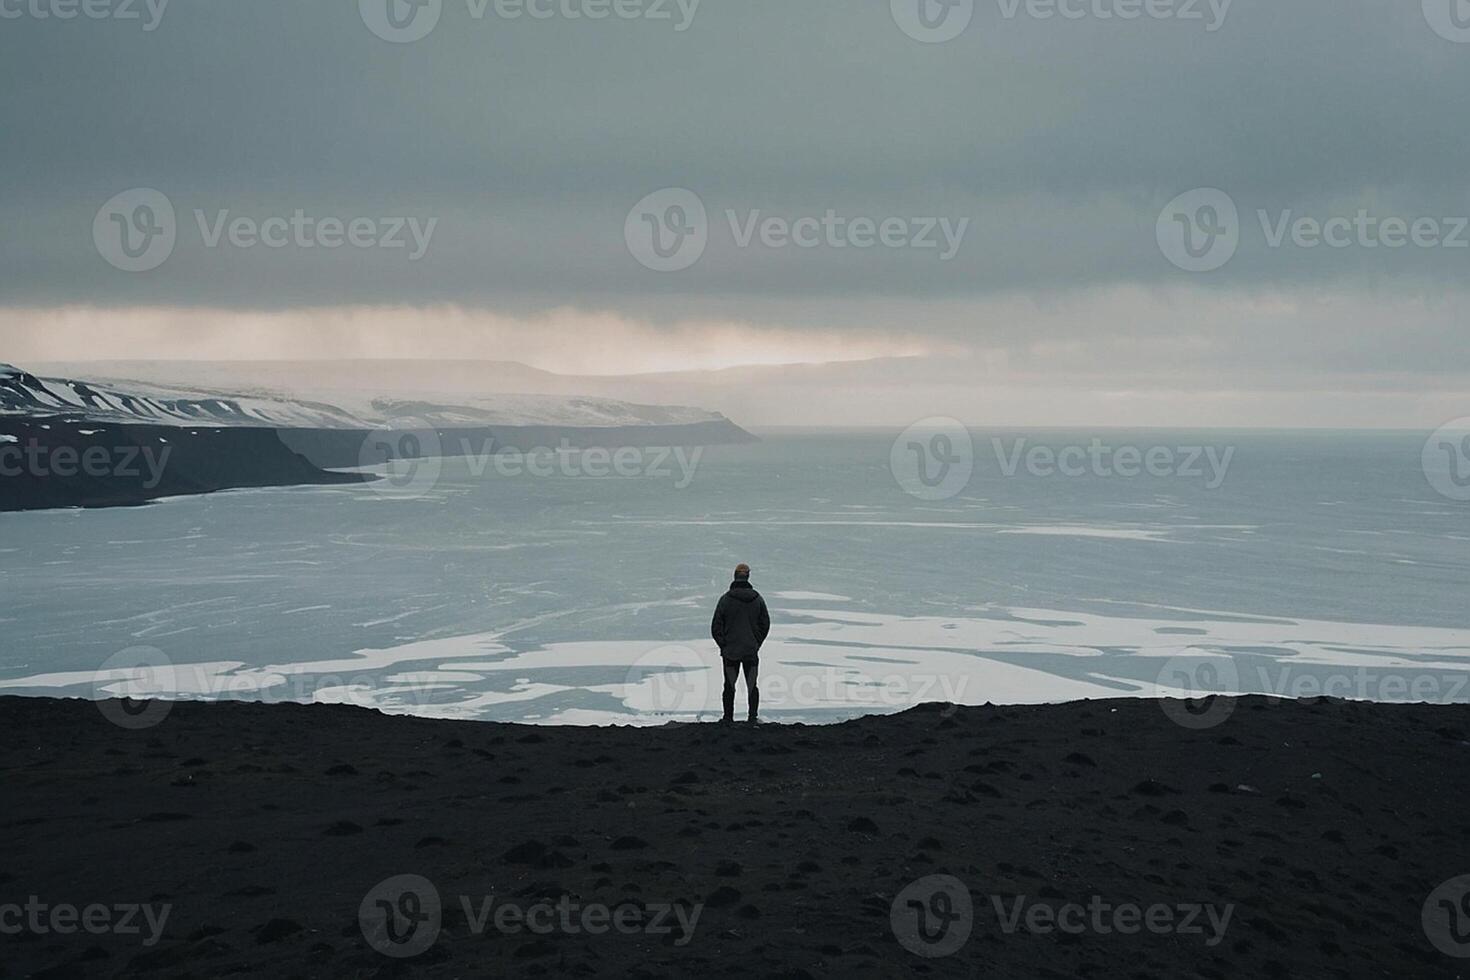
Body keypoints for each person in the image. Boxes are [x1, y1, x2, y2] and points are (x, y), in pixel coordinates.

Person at [710, 563, 770, 724]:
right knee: (752, 685)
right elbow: (765, 624)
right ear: (748, 576)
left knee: (729, 685)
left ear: (734, 576)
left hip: (730, 652)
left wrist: (724, 645)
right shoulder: (757, 599)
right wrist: (756, 642)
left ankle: (728, 718)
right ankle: (752, 718)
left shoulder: (725, 599)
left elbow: (716, 627)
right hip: (750, 650)